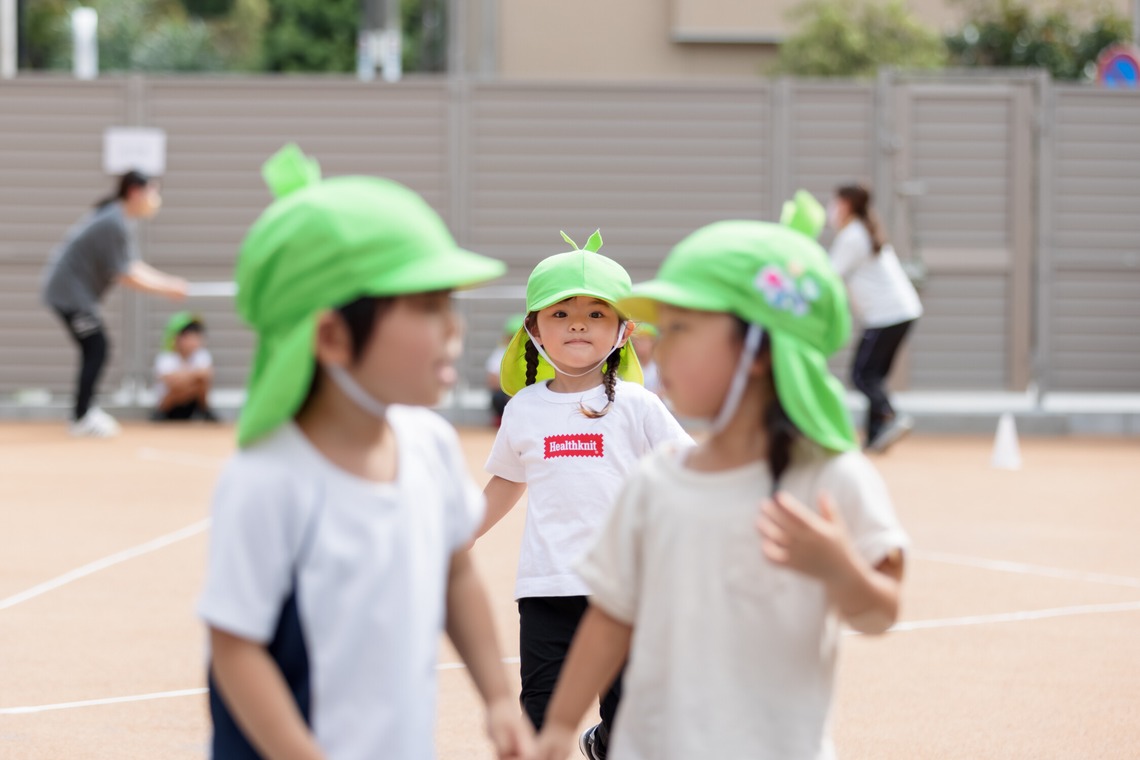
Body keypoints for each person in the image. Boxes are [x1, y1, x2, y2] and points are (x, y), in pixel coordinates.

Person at [197, 145, 533, 760]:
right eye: (427, 308)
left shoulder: (428, 444)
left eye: (449, 305)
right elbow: (235, 648)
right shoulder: (268, 478)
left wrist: (498, 699)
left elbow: (455, 573)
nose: (453, 329)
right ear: (331, 335)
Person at [533, 220, 909, 760]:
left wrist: (838, 567)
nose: (660, 353)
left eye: (682, 328)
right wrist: (555, 731)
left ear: (758, 349)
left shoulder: (831, 479)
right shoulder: (655, 482)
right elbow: (610, 618)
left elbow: (881, 613)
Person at [477, 230, 691, 760]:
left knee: (630, 724)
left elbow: (690, 471)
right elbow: (506, 481)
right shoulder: (524, 409)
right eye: (560, 313)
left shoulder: (640, 405)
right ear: (533, 330)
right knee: (540, 719)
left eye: (597, 313)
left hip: (627, 589)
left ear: (624, 331)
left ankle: (604, 742)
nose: (577, 323)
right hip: (546, 587)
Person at [41, 170, 188, 437]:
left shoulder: (118, 219)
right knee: (97, 347)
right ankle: (81, 416)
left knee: (95, 348)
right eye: (152, 191)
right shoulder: (113, 222)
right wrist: (167, 288)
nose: (155, 199)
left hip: (76, 294)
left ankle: (83, 412)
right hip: (69, 294)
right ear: (134, 191)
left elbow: (132, 265)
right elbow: (127, 275)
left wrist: (168, 283)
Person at [827, 183, 923, 453]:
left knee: (861, 374)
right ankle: (874, 436)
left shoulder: (852, 236)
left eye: (835, 203)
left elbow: (830, 273)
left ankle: (892, 415)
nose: (832, 210)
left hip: (887, 315)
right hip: (899, 312)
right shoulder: (863, 231)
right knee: (873, 375)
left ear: (846, 205)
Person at [151, 311, 218, 422]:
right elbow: (170, 382)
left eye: (197, 335)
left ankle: (205, 412)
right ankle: (160, 415)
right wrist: (193, 376)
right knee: (180, 387)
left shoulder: (201, 354)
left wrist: (183, 377)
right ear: (176, 338)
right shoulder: (166, 357)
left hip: (192, 405)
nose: (195, 339)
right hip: (169, 407)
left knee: (200, 383)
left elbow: (207, 374)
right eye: (189, 335)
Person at [487, 314, 526, 426]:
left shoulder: (533, 353)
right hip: (506, 392)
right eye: (512, 336)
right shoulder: (500, 352)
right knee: (498, 397)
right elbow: (492, 380)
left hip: (526, 391)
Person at [628, 324, 660, 396]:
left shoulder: (661, 366)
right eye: (637, 340)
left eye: (644, 340)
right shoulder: (628, 366)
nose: (640, 344)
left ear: (653, 342)